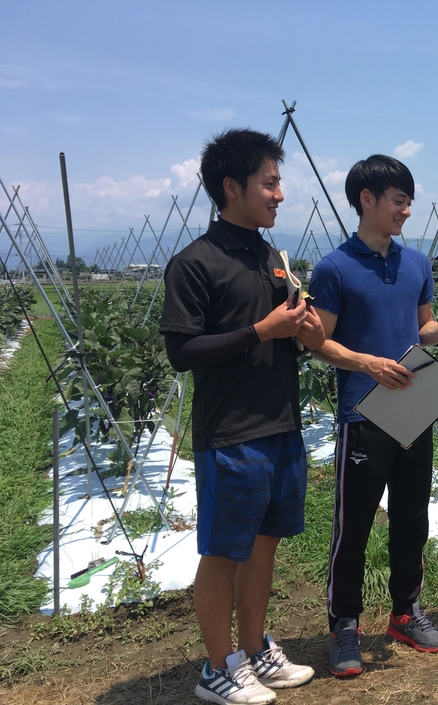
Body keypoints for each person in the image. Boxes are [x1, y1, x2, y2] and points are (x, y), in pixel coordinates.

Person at [160, 128, 324, 704]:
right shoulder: (195, 263)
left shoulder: (270, 257)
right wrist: (261, 330)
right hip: (231, 433)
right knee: (225, 551)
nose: (279, 195)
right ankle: (215, 667)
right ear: (231, 187)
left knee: (263, 547)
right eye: (269, 183)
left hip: (281, 425)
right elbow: (181, 352)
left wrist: (307, 331)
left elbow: (291, 336)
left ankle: (255, 652)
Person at [307, 154, 438, 678]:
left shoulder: (416, 264)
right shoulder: (334, 267)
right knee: (352, 526)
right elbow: (318, 342)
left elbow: (419, 329)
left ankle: (405, 612)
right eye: (398, 201)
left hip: (412, 406)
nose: (406, 210)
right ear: (367, 200)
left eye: (408, 201)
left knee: (411, 518)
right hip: (363, 412)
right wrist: (366, 364)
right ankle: (345, 625)